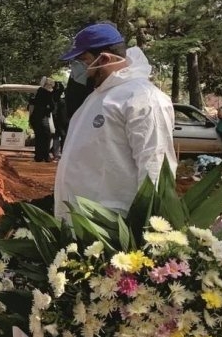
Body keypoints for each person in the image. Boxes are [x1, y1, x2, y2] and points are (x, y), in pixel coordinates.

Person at [54, 23, 177, 220]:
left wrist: (147, 225)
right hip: (82, 220)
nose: (79, 69)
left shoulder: (143, 97)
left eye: (83, 60)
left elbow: (154, 164)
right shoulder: (97, 96)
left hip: (111, 224)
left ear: (104, 58)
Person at [29, 77, 55, 162]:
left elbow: (32, 104)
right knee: (46, 137)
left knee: (39, 137)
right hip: (43, 118)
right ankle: (46, 156)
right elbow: (52, 106)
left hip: (35, 117)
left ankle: (38, 156)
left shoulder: (38, 92)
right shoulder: (48, 93)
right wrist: (47, 110)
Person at [51, 81, 68, 160]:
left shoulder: (55, 98)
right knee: (62, 136)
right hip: (61, 120)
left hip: (59, 120)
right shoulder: (61, 100)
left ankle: (56, 153)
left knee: (58, 136)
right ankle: (59, 153)